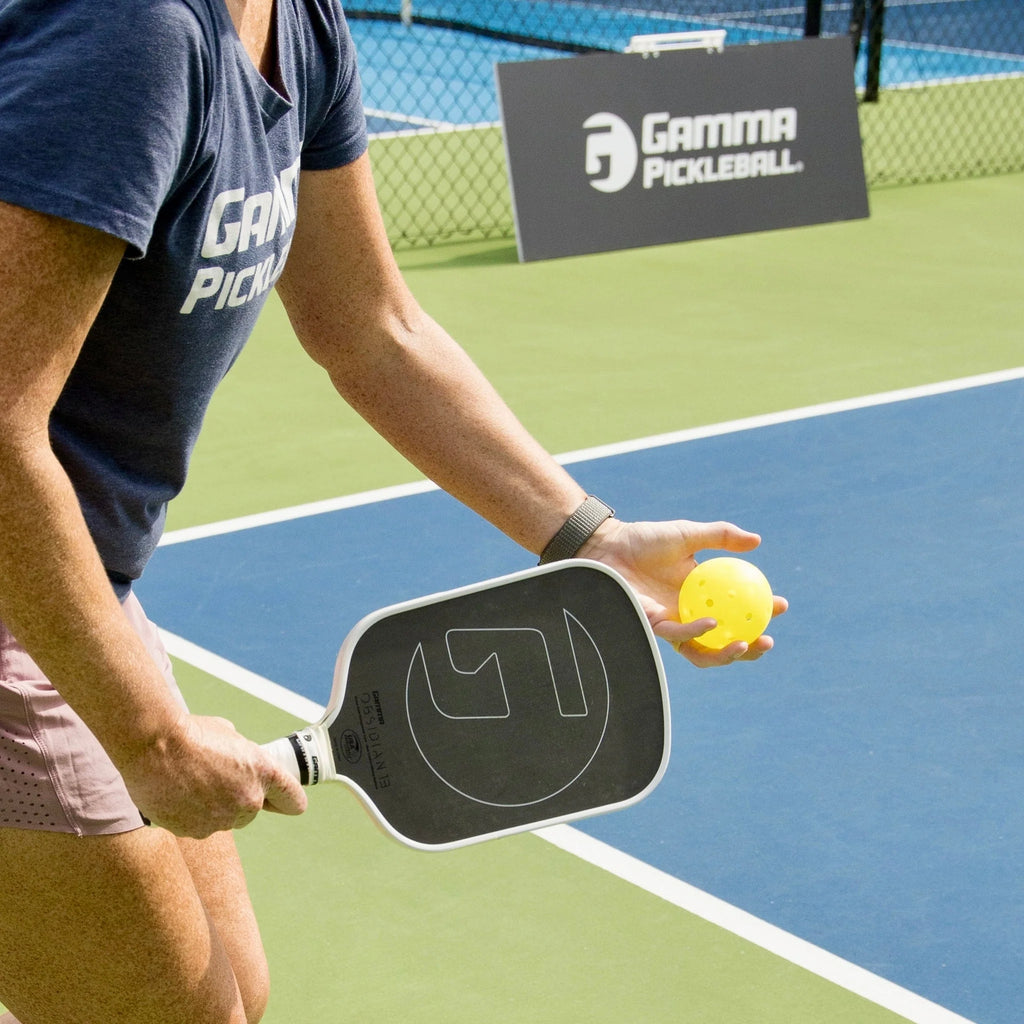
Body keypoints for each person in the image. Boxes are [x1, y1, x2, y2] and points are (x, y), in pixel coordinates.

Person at [0, 0, 786, 1020]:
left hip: (79, 561)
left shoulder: (303, 28)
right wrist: (151, 739)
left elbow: (372, 329)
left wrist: (593, 538)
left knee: (235, 986)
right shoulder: (132, 36)